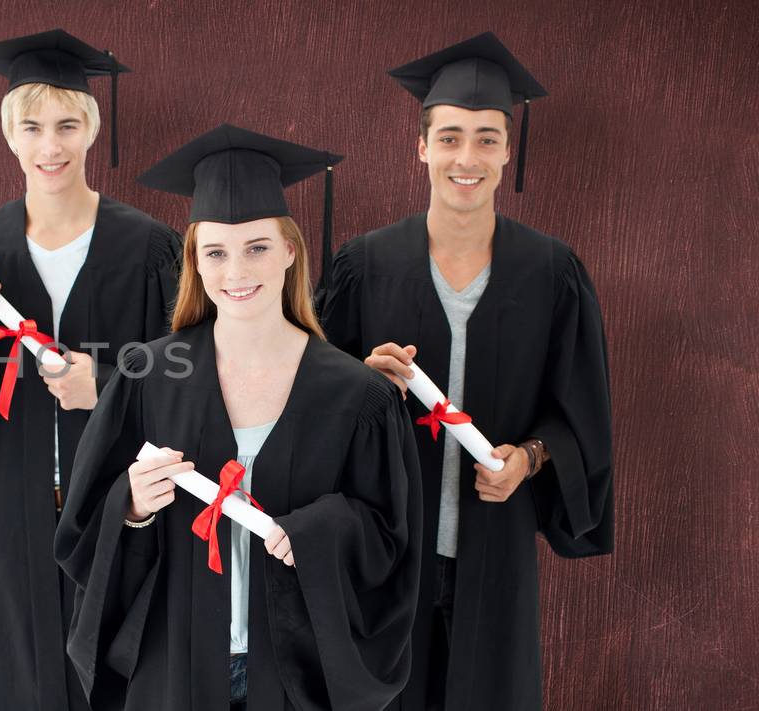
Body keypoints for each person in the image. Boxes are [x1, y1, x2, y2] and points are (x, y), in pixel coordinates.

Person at [56, 123, 422, 711]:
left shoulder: (356, 396)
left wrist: (313, 531)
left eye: (256, 247)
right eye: (216, 252)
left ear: (289, 251)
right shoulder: (149, 376)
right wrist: (131, 506)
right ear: (196, 264)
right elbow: (82, 528)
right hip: (175, 668)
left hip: (295, 678)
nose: (237, 271)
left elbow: (391, 545)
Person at [317, 32, 614, 711]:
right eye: (450, 137)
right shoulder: (365, 265)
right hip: (388, 550)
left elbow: (580, 415)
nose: (467, 157)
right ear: (420, 147)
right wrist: (363, 380)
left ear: (509, 149)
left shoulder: (550, 273)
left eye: (486, 138)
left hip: (494, 553)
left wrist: (531, 457)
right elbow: (309, 403)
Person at [0, 29, 182, 711]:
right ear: (10, 136)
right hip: (16, 514)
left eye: (67, 124)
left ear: (91, 129)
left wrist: (109, 381)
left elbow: (192, 373)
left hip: (119, 511)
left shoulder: (148, 247)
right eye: (31, 126)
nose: (50, 145)